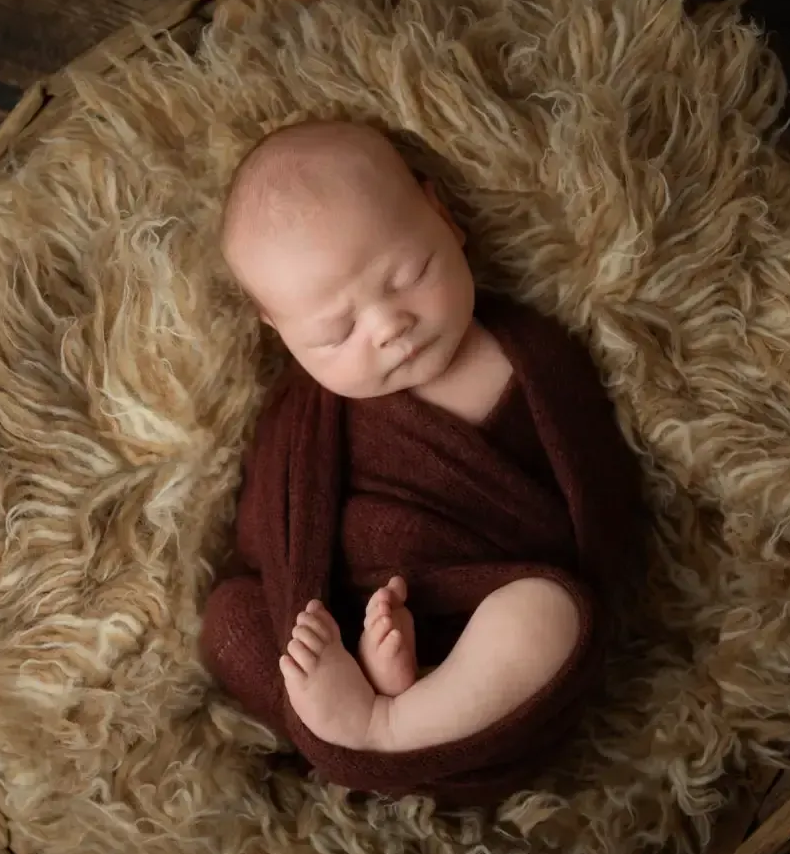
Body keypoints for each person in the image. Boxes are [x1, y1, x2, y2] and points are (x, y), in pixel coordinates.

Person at [201, 119, 644, 799]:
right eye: (333, 332)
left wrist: (603, 585)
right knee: (231, 622)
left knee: (547, 612)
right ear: (279, 331)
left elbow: (602, 502)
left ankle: (383, 733)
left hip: (497, 642)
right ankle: (375, 712)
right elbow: (278, 546)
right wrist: (344, 636)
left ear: (444, 217)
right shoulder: (301, 419)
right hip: (349, 634)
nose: (387, 328)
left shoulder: (534, 357)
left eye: (408, 275)